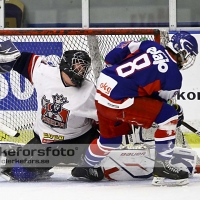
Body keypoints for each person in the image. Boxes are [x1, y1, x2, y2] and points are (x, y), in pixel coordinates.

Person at [71, 31, 199, 186]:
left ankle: (86, 165)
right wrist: (175, 112)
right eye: (188, 56)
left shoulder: (150, 45)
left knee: (110, 140)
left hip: (103, 88)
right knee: (169, 116)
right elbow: (157, 104)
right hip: (119, 100)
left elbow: (115, 54)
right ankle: (162, 166)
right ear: (182, 52)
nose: (186, 62)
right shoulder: (174, 77)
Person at [0, 40, 99, 181]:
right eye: (77, 68)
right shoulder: (45, 73)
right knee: (20, 173)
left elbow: (103, 120)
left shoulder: (89, 91)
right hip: (47, 141)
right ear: (66, 65)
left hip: (78, 140)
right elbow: (22, 60)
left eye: (83, 69)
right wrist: (8, 56)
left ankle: (87, 165)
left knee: (96, 174)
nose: (80, 73)